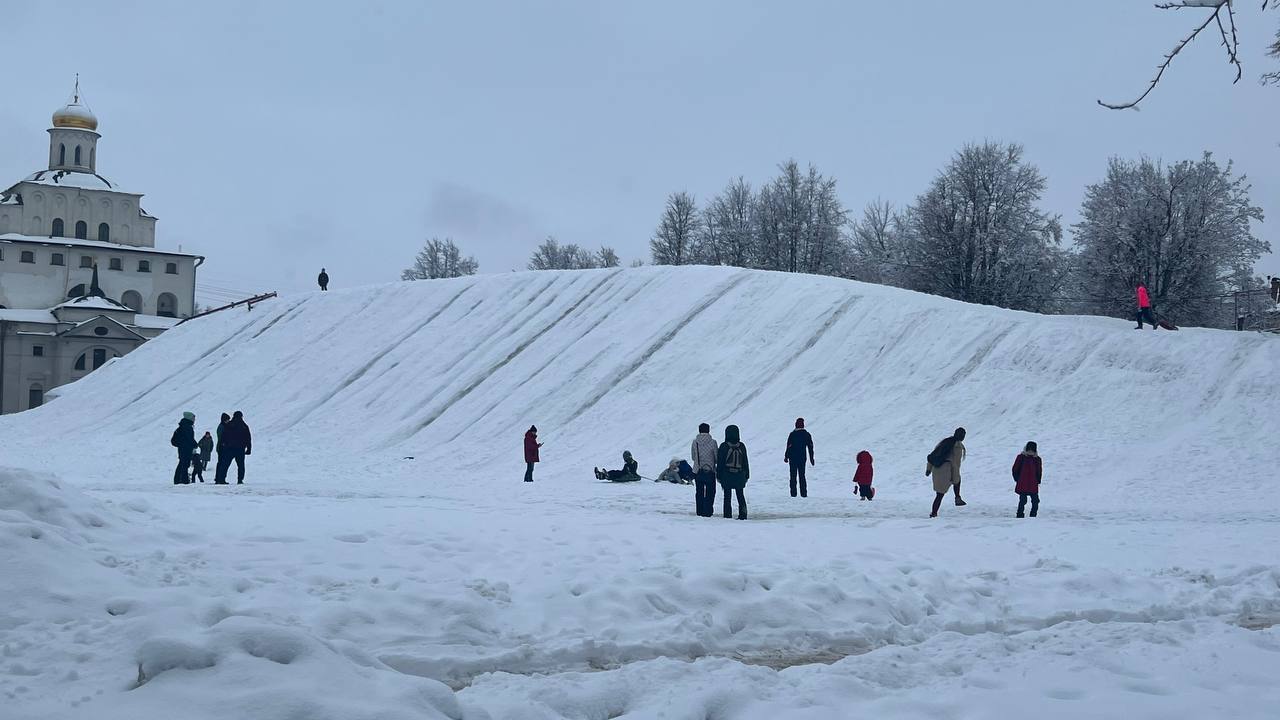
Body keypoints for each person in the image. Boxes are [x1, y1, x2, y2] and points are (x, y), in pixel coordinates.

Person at [926, 427, 967, 518]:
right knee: (940, 494)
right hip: (946, 470)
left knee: (939, 494)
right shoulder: (957, 447)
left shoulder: (945, 442)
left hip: (937, 469)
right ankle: (934, 513)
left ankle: (957, 498)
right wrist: (955, 478)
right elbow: (956, 465)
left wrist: (928, 469)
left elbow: (933, 455)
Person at [717, 424, 750, 519]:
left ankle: (727, 515)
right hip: (739, 475)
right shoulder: (742, 446)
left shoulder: (724, 446)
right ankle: (743, 514)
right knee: (740, 496)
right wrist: (747, 474)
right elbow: (745, 461)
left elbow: (720, 462)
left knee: (727, 496)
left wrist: (719, 476)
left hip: (727, 475)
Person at [215, 410, 252, 485]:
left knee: (225, 464)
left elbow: (224, 436)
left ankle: (221, 479)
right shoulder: (244, 426)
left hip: (229, 448)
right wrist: (248, 449)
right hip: (240, 449)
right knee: (241, 465)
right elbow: (248, 438)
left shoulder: (229, 425)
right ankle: (240, 480)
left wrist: (223, 444)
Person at [691, 423, 718, 517]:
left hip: (698, 470)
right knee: (711, 491)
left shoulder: (695, 442)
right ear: (708, 430)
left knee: (699, 491)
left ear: (699, 430)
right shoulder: (713, 442)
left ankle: (700, 511)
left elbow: (693, 457)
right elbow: (716, 457)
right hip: (710, 471)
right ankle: (708, 511)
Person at [784, 417, 815, 498]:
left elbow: (789, 446)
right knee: (802, 475)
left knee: (793, 476)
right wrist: (811, 458)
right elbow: (810, 447)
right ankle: (803, 494)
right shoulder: (806, 434)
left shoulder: (793, 434)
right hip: (802, 458)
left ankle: (793, 494)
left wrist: (786, 456)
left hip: (793, 458)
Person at [1012, 441, 1043, 518]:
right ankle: (1019, 515)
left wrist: (1038, 480)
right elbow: (1015, 469)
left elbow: (1039, 471)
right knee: (1023, 500)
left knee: (1035, 501)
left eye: (1032, 450)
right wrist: (1017, 479)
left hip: (1033, 484)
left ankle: (1033, 515)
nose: (1030, 452)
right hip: (1023, 483)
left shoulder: (1037, 459)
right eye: (1029, 450)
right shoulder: (1021, 457)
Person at [170, 412, 197, 485]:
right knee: (185, 464)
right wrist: (195, 444)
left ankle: (177, 480)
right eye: (193, 418)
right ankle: (184, 480)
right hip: (186, 449)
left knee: (181, 464)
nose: (194, 419)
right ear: (189, 418)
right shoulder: (187, 427)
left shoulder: (183, 426)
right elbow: (190, 439)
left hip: (182, 449)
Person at [213, 413, 231, 484]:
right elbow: (221, 437)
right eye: (227, 420)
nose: (228, 421)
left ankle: (218, 478)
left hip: (221, 447)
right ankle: (220, 479)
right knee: (222, 463)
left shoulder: (223, 426)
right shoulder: (222, 427)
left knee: (220, 463)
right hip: (222, 447)